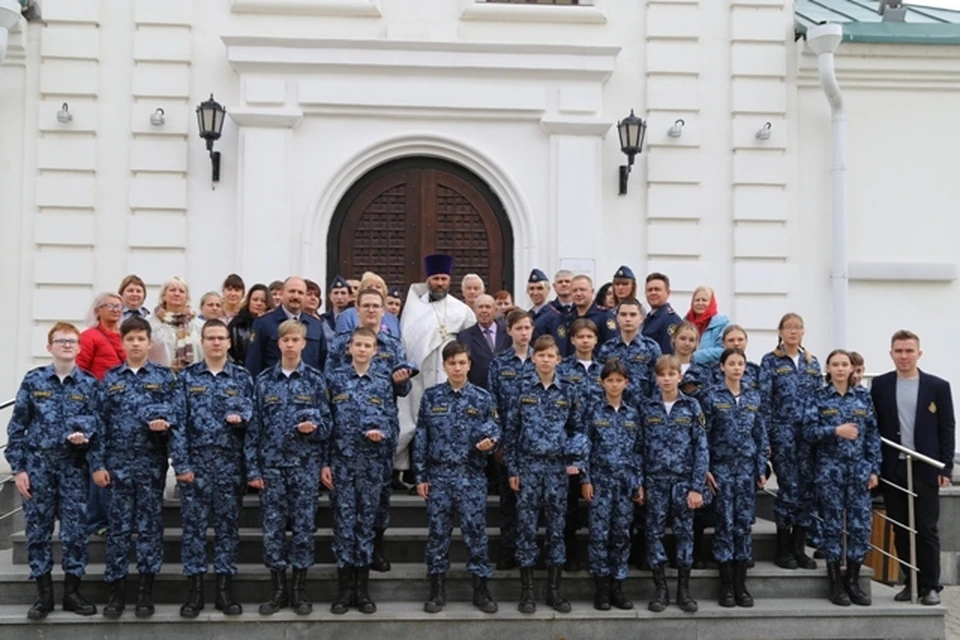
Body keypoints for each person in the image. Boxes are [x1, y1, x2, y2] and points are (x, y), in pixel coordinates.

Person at [5, 322, 99, 619]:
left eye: (72, 341)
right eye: (61, 341)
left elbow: (98, 425)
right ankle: (44, 595)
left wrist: (86, 438)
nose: (67, 345)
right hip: (38, 468)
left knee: (75, 533)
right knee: (38, 531)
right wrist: (18, 469)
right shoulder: (34, 380)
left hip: (74, 468)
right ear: (50, 347)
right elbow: (17, 427)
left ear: (79, 347)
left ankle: (72, 592)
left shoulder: (88, 383)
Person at [244, 319, 332, 616]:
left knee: (304, 530)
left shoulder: (316, 381)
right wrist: (253, 469)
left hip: (304, 468)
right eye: (286, 340)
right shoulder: (264, 381)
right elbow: (253, 429)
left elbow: (328, 424)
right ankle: (278, 590)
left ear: (304, 344)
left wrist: (314, 428)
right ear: (278, 344)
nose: (291, 345)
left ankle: (299, 591)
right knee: (273, 531)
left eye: (296, 340)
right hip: (272, 469)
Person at [92, 316, 177, 619]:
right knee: (118, 532)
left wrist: (164, 427)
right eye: (130, 339)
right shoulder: (111, 379)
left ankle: (144, 593)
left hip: (150, 468)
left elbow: (176, 422)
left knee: (150, 531)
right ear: (122, 342)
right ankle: (116, 594)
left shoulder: (165, 379)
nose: (136, 343)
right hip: (117, 469)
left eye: (141, 338)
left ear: (149, 342)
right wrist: (98, 464)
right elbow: (99, 425)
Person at [324, 289, 414, 573]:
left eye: (377, 306)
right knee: (347, 501)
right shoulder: (342, 344)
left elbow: (403, 389)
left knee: (380, 495)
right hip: (347, 438)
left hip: (381, 433)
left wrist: (401, 380)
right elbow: (331, 385)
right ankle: (349, 555)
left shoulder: (392, 344)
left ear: (385, 310)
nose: (372, 310)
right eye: (367, 305)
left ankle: (375, 547)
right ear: (357, 308)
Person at [171, 319, 254, 618]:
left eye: (221, 338)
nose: (217, 343)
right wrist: (181, 465)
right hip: (196, 468)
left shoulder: (243, 379)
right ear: (202, 342)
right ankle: (194, 593)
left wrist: (249, 468)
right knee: (193, 531)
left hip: (230, 468)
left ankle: (223, 591)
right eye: (211, 338)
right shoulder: (187, 378)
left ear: (229, 343)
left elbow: (253, 428)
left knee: (227, 530)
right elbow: (177, 425)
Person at [413, 341, 500, 614]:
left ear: (469, 364)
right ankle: (437, 590)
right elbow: (422, 437)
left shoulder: (483, 398)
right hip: (439, 476)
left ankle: (481, 589)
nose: (458, 368)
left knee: (476, 534)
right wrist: (420, 475)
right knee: (438, 535)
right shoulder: (432, 397)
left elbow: (495, 431)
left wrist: (491, 443)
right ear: (445, 366)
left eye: (462, 362)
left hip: (471, 475)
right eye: (452, 363)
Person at [872, 329, 955, 605]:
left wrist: (944, 469)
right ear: (891, 353)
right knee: (901, 528)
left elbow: (947, 427)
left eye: (909, 351)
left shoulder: (937, 386)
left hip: (926, 468)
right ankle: (911, 581)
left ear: (919, 353)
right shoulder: (881, 385)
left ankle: (931, 586)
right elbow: (875, 428)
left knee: (926, 528)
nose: (904, 356)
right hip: (894, 468)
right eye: (899, 351)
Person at [325, 328, 402, 615]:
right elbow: (326, 423)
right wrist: (325, 463)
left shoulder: (382, 383)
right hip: (342, 465)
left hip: (372, 465)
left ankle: (363, 590)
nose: (361, 349)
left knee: (366, 526)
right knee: (345, 527)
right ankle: (345, 591)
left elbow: (391, 422)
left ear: (374, 350)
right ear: (349, 348)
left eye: (367, 345)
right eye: (357, 344)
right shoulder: (335, 380)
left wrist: (381, 436)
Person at [505, 335, 580, 615]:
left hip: (558, 469)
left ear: (558, 359)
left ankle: (554, 591)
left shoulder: (568, 391)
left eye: (551, 355)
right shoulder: (521, 388)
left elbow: (577, 429)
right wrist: (512, 468)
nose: (546, 360)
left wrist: (574, 459)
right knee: (526, 529)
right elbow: (511, 432)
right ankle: (527, 593)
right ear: (533, 358)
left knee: (557, 530)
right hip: (528, 467)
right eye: (541, 355)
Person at [804, 349, 880, 608]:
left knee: (860, 528)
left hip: (858, 471)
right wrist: (835, 430)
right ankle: (835, 584)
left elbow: (872, 435)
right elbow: (808, 432)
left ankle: (853, 581)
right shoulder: (818, 397)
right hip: (830, 470)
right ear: (828, 368)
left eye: (844, 364)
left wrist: (873, 469)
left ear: (851, 369)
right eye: (834, 364)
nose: (839, 369)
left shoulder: (863, 397)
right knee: (833, 527)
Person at [396, 254, 477, 476]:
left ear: (449, 280)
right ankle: (414, 472)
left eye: (443, 278)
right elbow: (407, 340)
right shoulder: (414, 309)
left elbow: (469, 342)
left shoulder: (461, 310)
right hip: (419, 375)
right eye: (435, 279)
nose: (439, 283)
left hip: (447, 372)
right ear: (427, 280)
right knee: (417, 420)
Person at [641, 355, 708, 614]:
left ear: (680, 376)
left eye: (672, 374)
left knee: (684, 534)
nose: (667, 379)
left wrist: (696, 487)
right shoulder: (647, 407)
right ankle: (661, 590)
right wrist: (640, 483)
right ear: (656, 378)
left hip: (683, 481)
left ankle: (683, 590)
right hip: (655, 481)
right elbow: (639, 448)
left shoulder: (692, 407)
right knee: (653, 533)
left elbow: (701, 449)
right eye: (662, 375)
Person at [701, 348, 768, 608]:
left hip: (747, 471)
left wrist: (761, 468)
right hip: (721, 470)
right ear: (722, 367)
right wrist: (704, 468)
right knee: (724, 526)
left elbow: (760, 437)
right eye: (732, 363)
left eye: (741, 363)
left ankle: (742, 585)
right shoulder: (711, 397)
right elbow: (703, 436)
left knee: (743, 527)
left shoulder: (753, 397)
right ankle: (726, 586)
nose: (737, 368)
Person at [575, 359, 641, 612]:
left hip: (624, 484)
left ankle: (618, 587)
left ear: (626, 383)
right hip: (600, 483)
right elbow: (585, 448)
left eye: (619, 380)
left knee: (622, 535)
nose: (614, 385)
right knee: (600, 535)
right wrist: (586, 479)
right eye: (610, 380)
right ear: (602, 382)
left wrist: (637, 483)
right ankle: (601, 588)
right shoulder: (593, 412)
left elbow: (638, 451)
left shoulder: (633, 414)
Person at [760, 313, 822, 571]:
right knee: (788, 489)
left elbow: (819, 399)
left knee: (807, 491)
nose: (793, 332)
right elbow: (764, 401)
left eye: (798, 328)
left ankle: (799, 547)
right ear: (780, 332)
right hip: (782, 434)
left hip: (808, 437)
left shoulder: (812, 363)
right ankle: (783, 548)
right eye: (788, 328)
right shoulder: (771, 361)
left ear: (803, 331)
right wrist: (766, 438)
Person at [487, 307, 535, 569]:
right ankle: (508, 551)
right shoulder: (499, 363)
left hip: (536, 444)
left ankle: (530, 553)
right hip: (507, 442)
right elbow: (491, 403)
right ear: (509, 331)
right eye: (519, 328)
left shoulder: (542, 360)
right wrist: (497, 439)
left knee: (533, 502)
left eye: (527, 328)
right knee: (508, 500)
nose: (524, 333)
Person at [76, 293, 126, 538]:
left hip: (121, 412)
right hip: (97, 409)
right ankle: (97, 520)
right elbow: (80, 372)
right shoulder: (89, 337)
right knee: (98, 464)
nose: (116, 310)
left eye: (119, 306)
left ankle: (115, 516)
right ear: (98, 310)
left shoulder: (124, 337)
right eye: (111, 306)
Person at [245, 276, 328, 377]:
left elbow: (323, 361)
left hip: (309, 388)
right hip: (273, 387)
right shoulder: (263, 323)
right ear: (282, 293)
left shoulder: (316, 325)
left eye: (300, 293)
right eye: (292, 291)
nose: (296, 296)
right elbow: (253, 362)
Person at [596, 297, 661, 407]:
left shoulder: (651, 347)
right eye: (623, 314)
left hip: (642, 410)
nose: (628, 319)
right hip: (613, 410)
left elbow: (658, 383)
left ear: (641, 318)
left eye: (632, 315)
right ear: (617, 318)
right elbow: (600, 381)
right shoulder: (607, 348)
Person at [535, 275, 616, 357]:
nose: (578, 294)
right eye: (574, 290)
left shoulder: (605, 316)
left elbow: (613, 346)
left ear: (592, 291)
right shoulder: (567, 318)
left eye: (582, 290)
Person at [148, 275, 202, 372]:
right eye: (172, 290)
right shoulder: (149, 323)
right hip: (159, 380)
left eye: (181, 291)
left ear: (187, 297)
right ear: (163, 296)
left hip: (192, 380)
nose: (177, 294)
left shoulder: (200, 326)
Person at [460, 294, 510, 389]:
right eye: (480, 307)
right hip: (478, 391)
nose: (484, 310)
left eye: (488, 307)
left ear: (495, 310)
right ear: (474, 311)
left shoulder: (508, 333)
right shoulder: (464, 337)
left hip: (505, 391)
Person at [336, 272, 402, 337]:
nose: (374, 289)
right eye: (369, 287)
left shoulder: (393, 319)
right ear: (361, 291)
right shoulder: (347, 316)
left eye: (378, 287)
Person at [227, 283, 273, 365]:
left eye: (263, 301)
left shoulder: (273, 324)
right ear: (248, 301)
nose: (259, 303)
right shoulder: (237, 324)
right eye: (255, 300)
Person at [686, 286, 730, 365]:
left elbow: (724, 349)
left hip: (712, 372)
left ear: (711, 302)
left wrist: (696, 356)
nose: (700, 303)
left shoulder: (722, 323)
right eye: (697, 300)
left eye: (704, 300)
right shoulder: (685, 322)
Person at [642, 272, 682, 355]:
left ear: (668, 292)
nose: (653, 293)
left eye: (657, 289)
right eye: (649, 290)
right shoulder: (650, 317)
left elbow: (668, 354)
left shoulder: (670, 319)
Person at [320, 275, 352, 344]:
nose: (339, 297)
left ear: (349, 296)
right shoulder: (322, 320)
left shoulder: (355, 318)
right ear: (330, 296)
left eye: (343, 293)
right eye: (336, 293)